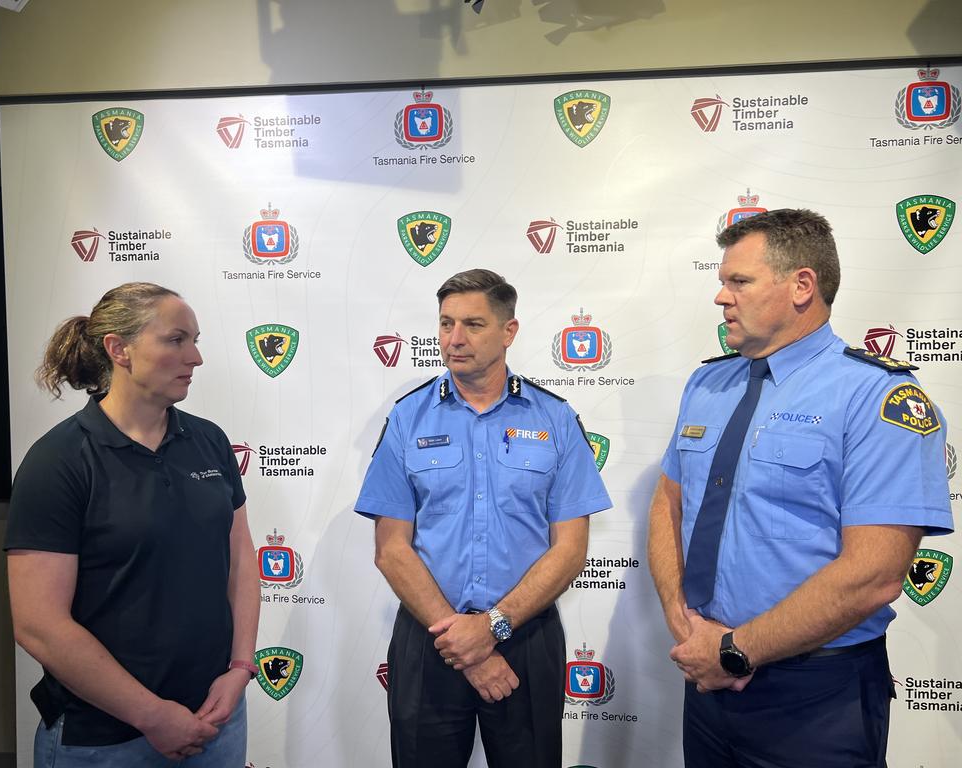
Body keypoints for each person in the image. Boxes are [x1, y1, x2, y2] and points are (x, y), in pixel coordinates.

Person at [647, 209, 953, 767]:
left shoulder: (876, 397)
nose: (721, 297)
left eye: (738, 281)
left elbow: (875, 574)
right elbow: (670, 501)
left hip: (817, 697)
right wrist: (682, 617)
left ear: (802, 286)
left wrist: (738, 651)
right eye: (722, 281)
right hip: (707, 679)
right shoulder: (708, 383)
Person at [355, 269, 611, 768]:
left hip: (525, 638)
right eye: (446, 323)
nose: (454, 339)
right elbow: (391, 549)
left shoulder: (554, 418)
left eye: (472, 324)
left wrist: (492, 628)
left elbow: (570, 550)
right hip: (430, 638)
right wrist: (463, 640)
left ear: (509, 331)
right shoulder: (409, 417)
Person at [5, 282, 261, 767]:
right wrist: (152, 715)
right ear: (118, 349)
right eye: (176, 339)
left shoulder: (209, 442)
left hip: (216, 722)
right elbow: (39, 624)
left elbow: (241, 563)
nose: (196, 357)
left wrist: (240, 669)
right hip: (103, 739)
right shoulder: (58, 461)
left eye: (196, 340)